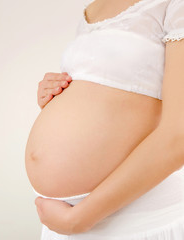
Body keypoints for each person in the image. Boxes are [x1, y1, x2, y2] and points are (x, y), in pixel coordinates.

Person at [33, 0, 184, 239]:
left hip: (135, 223)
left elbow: (179, 136)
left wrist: (80, 219)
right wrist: (56, 95)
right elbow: (111, 96)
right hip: (67, 221)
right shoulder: (95, 7)